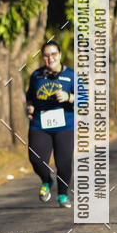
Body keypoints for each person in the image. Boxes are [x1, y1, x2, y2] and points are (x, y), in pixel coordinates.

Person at [26, 41, 85, 208]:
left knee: (64, 163)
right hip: (39, 124)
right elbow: (30, 96)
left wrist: (68, 97)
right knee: (36, 159)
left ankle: (63, 195)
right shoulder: (36, 75)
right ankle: (46, 180)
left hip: (64, 125)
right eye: (46, 55)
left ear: (59, 55)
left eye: (53, 54)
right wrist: (29, 107)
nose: (50, 58)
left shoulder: (71, 75)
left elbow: (84, 98)